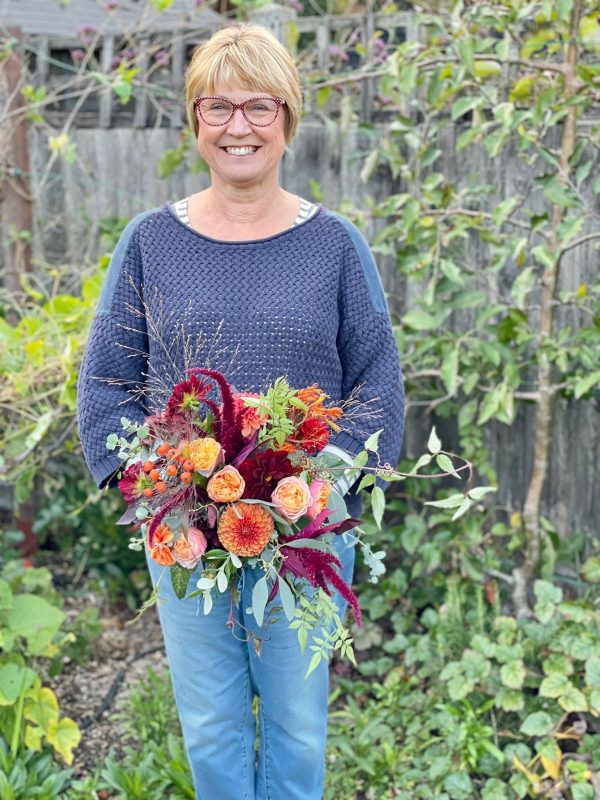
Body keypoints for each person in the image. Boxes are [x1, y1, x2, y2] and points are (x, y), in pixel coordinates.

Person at [77, 22, 404, 800]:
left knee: (297, 725)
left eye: (259, 106)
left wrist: (321, 482)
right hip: (188, 537)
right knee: (213, 727)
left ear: (289, 119)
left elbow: (378, 381)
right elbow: (106, 383)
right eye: (217, 107)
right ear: (195, 122)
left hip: (305, 533)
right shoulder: (151, 243)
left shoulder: (335, 246)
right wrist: (157, 492)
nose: (238, 127)